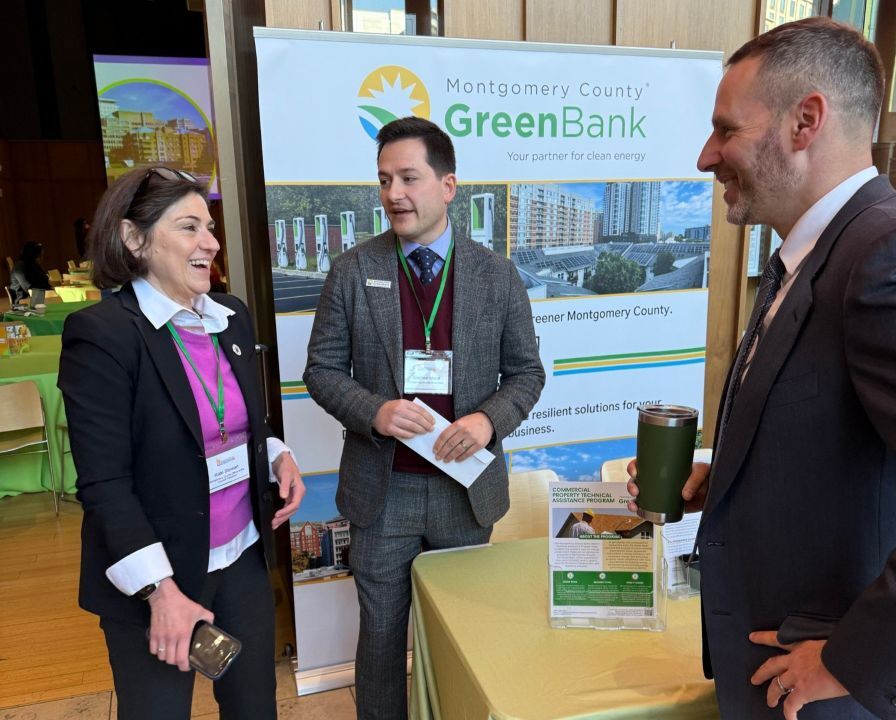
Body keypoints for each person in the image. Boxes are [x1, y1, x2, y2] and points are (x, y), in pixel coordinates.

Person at [627, 18, 896, 719]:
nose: (704, 157)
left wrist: (852, 659)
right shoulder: (800, 260)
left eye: (726, 131)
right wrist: (725, 483)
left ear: (806, 121)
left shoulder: (881, 257)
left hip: (823, 690)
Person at [303, 116, 545, 719]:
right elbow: (322, 371)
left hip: (466, 494)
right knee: (382, 638)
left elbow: (526, 375)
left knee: (462, 640)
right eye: (384, 180)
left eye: (409, 177)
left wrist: (488, 421)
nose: (393, 194)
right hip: (384, 494)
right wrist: (374, 411)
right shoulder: (353, 271)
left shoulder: (497, 275)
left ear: (448, 186)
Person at [58, 166, 306, 720]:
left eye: (210, 226)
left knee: (253, 707)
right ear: (134, 238)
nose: (210, 242)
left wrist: (275, 453)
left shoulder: (231, 317)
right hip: (157, 578)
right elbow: (104, 485)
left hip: (240, 557)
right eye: (189, 227)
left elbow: (243, 422)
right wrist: (160, 593)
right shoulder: (102, 335)